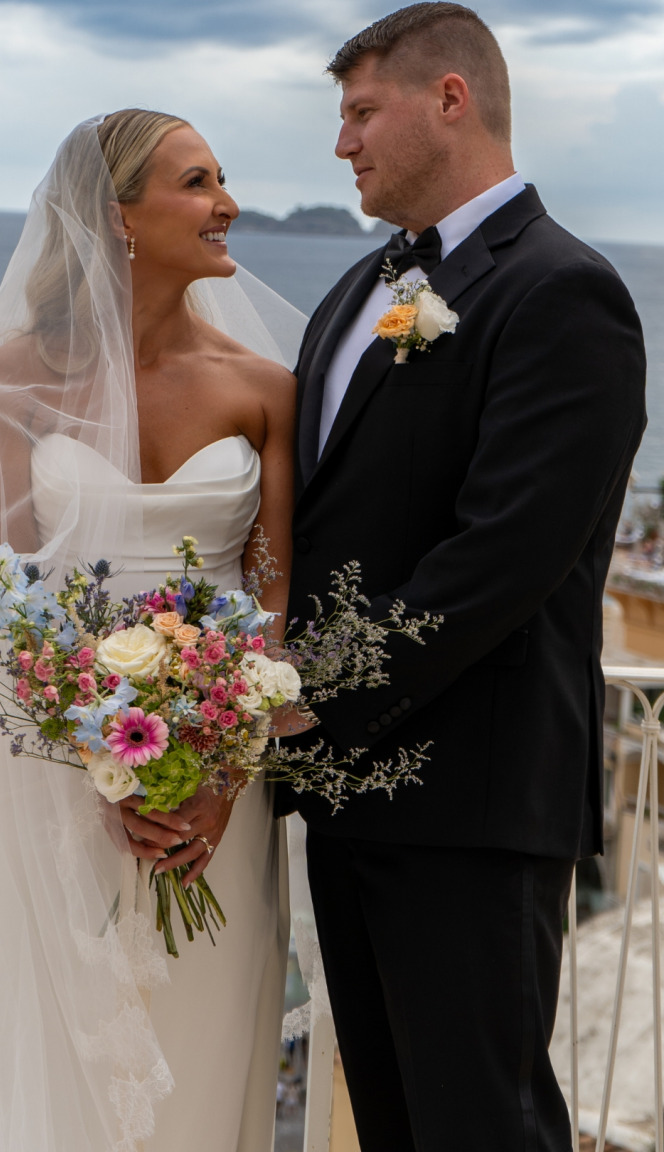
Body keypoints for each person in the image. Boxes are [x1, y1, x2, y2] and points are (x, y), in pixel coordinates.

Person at [278, 5, 647, 1150]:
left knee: (482, 1127)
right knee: (392, 1121)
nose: (342, 145)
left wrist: (311, 694)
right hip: (349, 797)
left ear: (452, 98)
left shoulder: (561, 292)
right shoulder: (359, 291)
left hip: (472, 804)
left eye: (360, 111)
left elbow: (499, 560)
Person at [0, 110, 305, 1152]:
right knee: (59, 1057)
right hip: (53, 785)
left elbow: (272, 604)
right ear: (117, 217)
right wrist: (95, 757)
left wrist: (219, 775)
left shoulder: (267, 392)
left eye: (222, 180)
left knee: (204, 1041)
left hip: (218, 796)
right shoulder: (7, 384)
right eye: (198, 182)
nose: (227, 204)